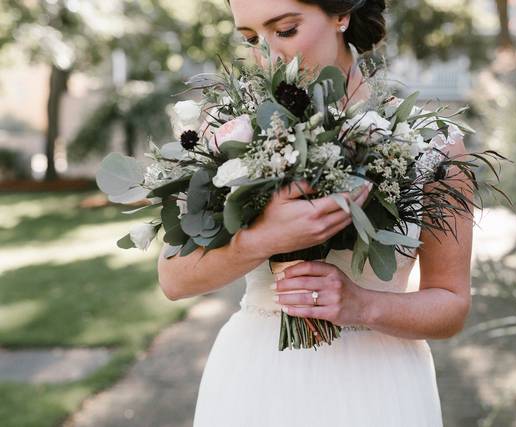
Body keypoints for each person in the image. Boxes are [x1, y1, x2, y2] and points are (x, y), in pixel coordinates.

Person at [157, 0, 473, 425]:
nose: (265, 55)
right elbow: (173, 279)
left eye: (285, 30)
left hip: (378, 386)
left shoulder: (431, 143)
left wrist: (361, 305)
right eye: (250, 39)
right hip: (258, 379)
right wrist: (262, 238)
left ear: (340, 14)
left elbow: (451, 304)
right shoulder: (230, 131)